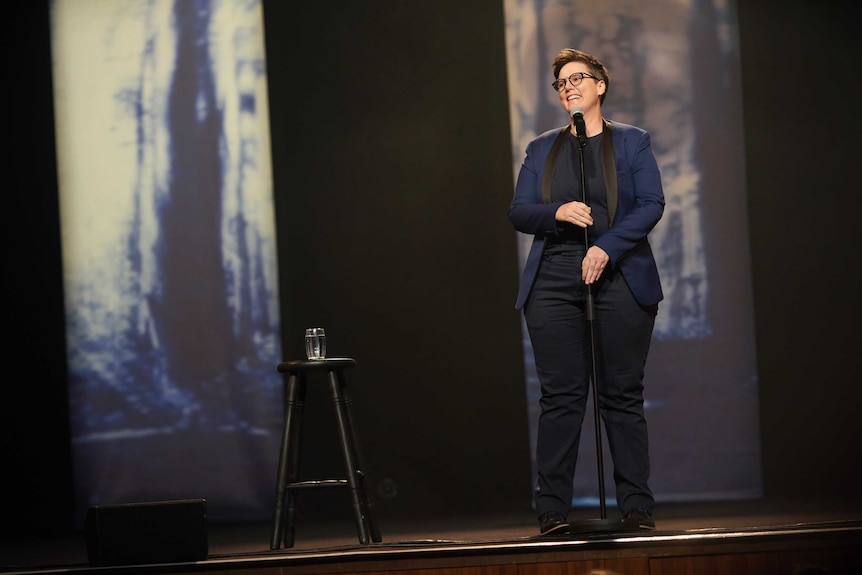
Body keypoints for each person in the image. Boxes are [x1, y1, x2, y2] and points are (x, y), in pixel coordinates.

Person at [508, 48, 664, 535]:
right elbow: (519, 211)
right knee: (562, 396)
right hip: (555, 277)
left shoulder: (633, 142)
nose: (569, 86)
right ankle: (552, 509)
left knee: (621, 394)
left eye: (578, 78)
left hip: (617, 272)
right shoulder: (542, 148)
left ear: (601, 85)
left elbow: (651, 203)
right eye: (560, 83)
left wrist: (608, 247)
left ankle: (636, 506)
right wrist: (554, 212)